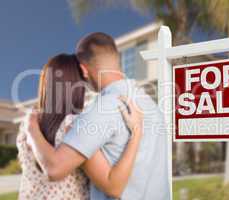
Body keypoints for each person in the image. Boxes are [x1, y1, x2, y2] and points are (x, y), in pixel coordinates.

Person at [26, 32, 170, 200]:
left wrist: (31, 130)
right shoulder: (151, 106)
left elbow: (54, 169)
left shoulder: (100, 111)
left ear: (83, 70)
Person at [18, 54, 144, 200]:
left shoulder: (29, 124)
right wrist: (136, 132)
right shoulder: (74, 125)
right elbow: (113, 187)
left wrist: (32, 130)